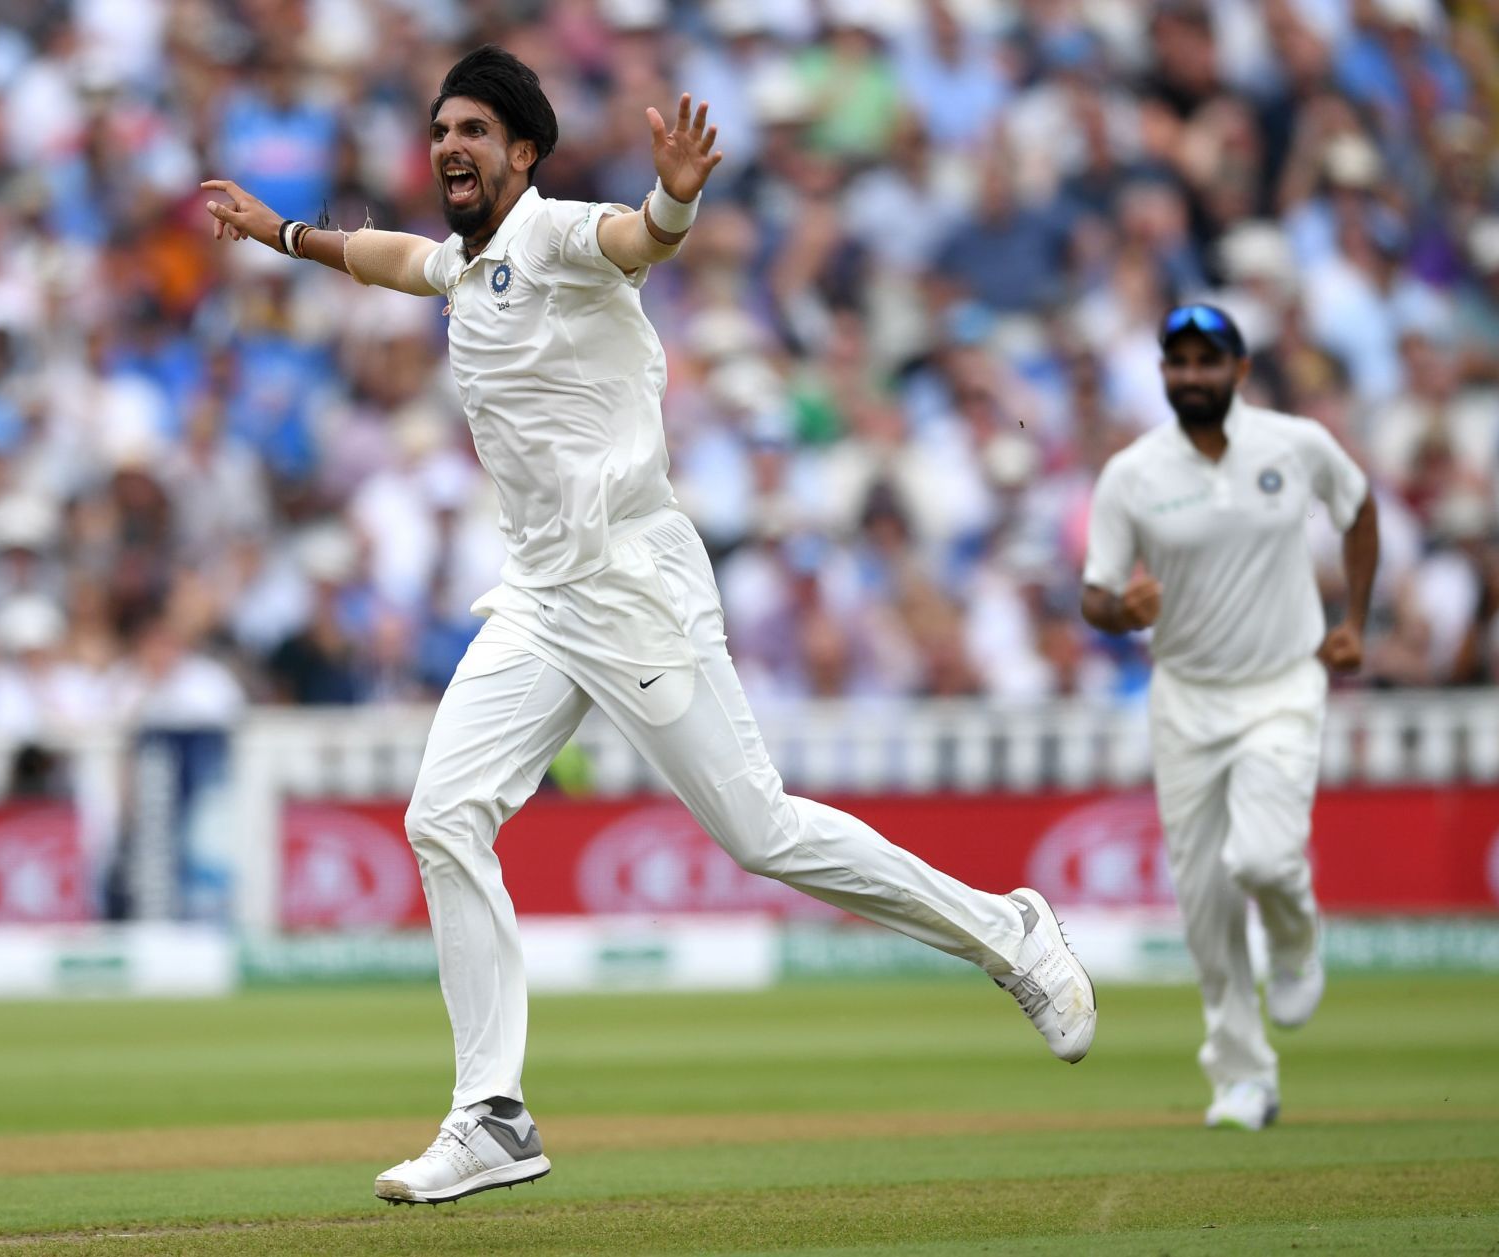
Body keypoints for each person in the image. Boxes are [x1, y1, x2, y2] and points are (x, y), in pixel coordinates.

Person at [202, 46, 1097, 1205]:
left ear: (524, 153)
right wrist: (281, 233)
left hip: (634, 585)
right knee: (442, 816)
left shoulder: (563, 237)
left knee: (760, 833)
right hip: (540, 597)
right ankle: (491, 1114)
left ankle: (1009, 932)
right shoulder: (462, 268)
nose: (449, 148)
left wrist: (675, 195)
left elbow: (642, 240)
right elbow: (384, 259)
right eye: (439, 130)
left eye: (474, 130)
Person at [1080, 304, 1380, 1132]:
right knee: (1204, 897)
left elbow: (1358, 509)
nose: (1191, 376)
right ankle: (1242, 1077)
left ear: (1241, 370)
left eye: (1208, 361)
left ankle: (1295, 937)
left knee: (1264, 858)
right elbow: (1094, 594)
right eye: (1176, 363)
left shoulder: (1296, 444)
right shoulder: (1133, 473)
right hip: (1184, 695)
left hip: (1284, 683)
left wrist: (1354, 618)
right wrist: (1121, 609)